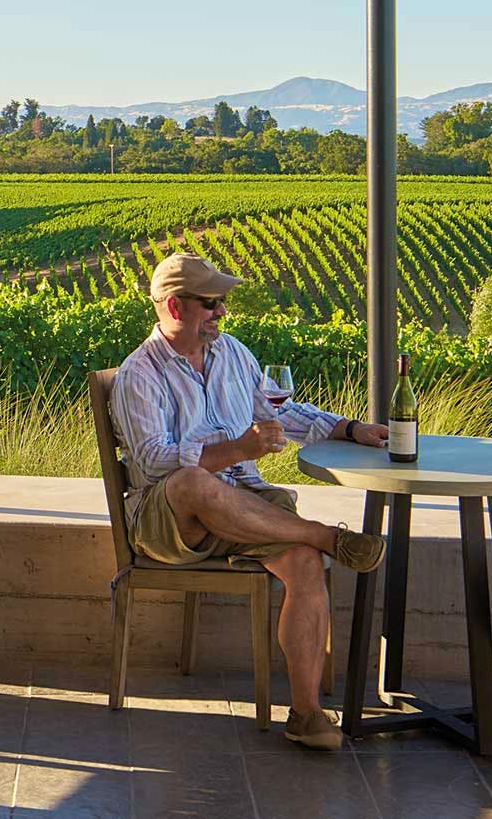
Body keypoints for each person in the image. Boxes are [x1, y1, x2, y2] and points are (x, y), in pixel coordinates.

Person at [110, 252, 391, 752]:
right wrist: (238, 449)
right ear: (175, 307)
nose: (222, 313)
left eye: (222, 304)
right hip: (171, 520)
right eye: (211, 303)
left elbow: (281, 412)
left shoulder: (234, 353)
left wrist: (349, 428)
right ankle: (325, 536)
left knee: (304, 564)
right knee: (192, 481)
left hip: (243, 505)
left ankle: (305, 714)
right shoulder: (140, 373)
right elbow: (154, 464)